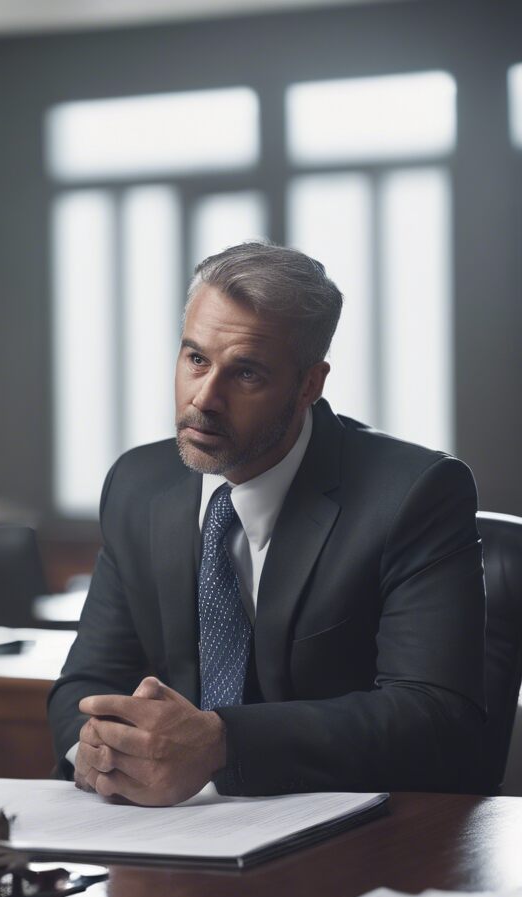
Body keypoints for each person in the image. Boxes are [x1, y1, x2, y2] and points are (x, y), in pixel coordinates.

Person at [47, 242, 486, 805]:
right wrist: (98, 752)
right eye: (196, 359)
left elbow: (438, 716)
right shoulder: (138, 484)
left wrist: (223, 744)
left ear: (309, 385)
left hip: (364, 837)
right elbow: (85, 684)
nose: (205, 398)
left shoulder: (413, 493)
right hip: (174, 832)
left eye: (246, 373)